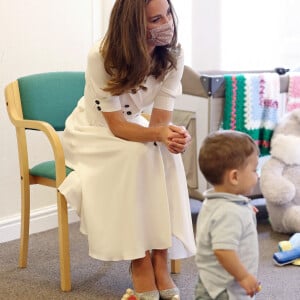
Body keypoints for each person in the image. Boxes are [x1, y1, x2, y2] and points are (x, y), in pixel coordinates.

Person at [58, 0, 196, 299]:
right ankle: (140, 260)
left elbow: (160, 122)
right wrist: (157, 133)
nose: (168, 23)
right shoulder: (103, 55)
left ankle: (161, 257)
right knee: (138, 154)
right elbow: (117, 127)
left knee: (165, 155)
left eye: (169, 13)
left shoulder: (174, 53)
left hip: (136, 124)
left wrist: (171, 137)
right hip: (94, 132)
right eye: (156, 19)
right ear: (134, 25)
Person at [194, 130, 261, 300]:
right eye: (254, 170)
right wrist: (244, 276)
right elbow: (224, 250)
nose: (257, 175)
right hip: (225, 291)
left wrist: (245, 211)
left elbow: (218, 223)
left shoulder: (215, 201)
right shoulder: (230, 212)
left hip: (213, 283)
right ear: (235, 177)